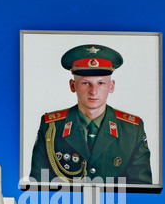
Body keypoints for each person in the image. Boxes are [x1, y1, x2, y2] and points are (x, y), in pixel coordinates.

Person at [30, 44, 152, 185]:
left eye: (100, 83)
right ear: (72, 85)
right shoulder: (51, 126)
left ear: (111, 86)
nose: (93, 91)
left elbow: (143, 190)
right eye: (86, 83)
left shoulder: (132, 129)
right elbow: (38, 185)